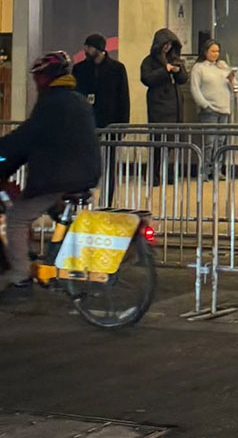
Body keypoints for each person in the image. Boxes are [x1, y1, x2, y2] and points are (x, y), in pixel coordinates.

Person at [0, 51, 101, 303]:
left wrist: (2, 155)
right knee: (50, 206)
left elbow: (24, 139)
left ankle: (21, 278)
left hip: (59, 177)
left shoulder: (50, 104)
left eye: (38, 77)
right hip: (85, 172)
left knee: (17, 217)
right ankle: (52, 258)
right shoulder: (77, 100)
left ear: (46, 78)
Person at [73, 32, 130, 203]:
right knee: (83, 164)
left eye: (89, 47)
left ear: (99, 49)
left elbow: (123, 98)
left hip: (109, 123)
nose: (85, 50)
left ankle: (106, 202)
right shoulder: (80, 69)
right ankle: (82, 201)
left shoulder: (117, 69)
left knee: (109, 166)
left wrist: (122, 125)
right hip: (86, 124)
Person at [140, 28, 188, 185]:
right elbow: (146, 78)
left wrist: (177, 70)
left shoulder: (175, 59)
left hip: (175, 106)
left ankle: (169, 174)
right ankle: (153, 174)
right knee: (157, 142)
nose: (167, 48)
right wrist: (164, 71)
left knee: (173, 142)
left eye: (169, 44)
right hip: (159, 105)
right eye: (164, 44)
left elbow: (183, 79)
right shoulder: (149, 61)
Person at [190, 39, 234, 180]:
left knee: (220, 142)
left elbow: (234, 87)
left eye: (217, 51)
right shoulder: (199, 67)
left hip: (224, 109)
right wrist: (204, 105)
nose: (215, 54)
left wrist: (230, 75)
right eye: (212, 51)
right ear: (205, 52)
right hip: (209, 109)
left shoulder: (222, 67)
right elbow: (195, 88)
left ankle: (217, 169)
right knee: (208, 142)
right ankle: (204, 170)